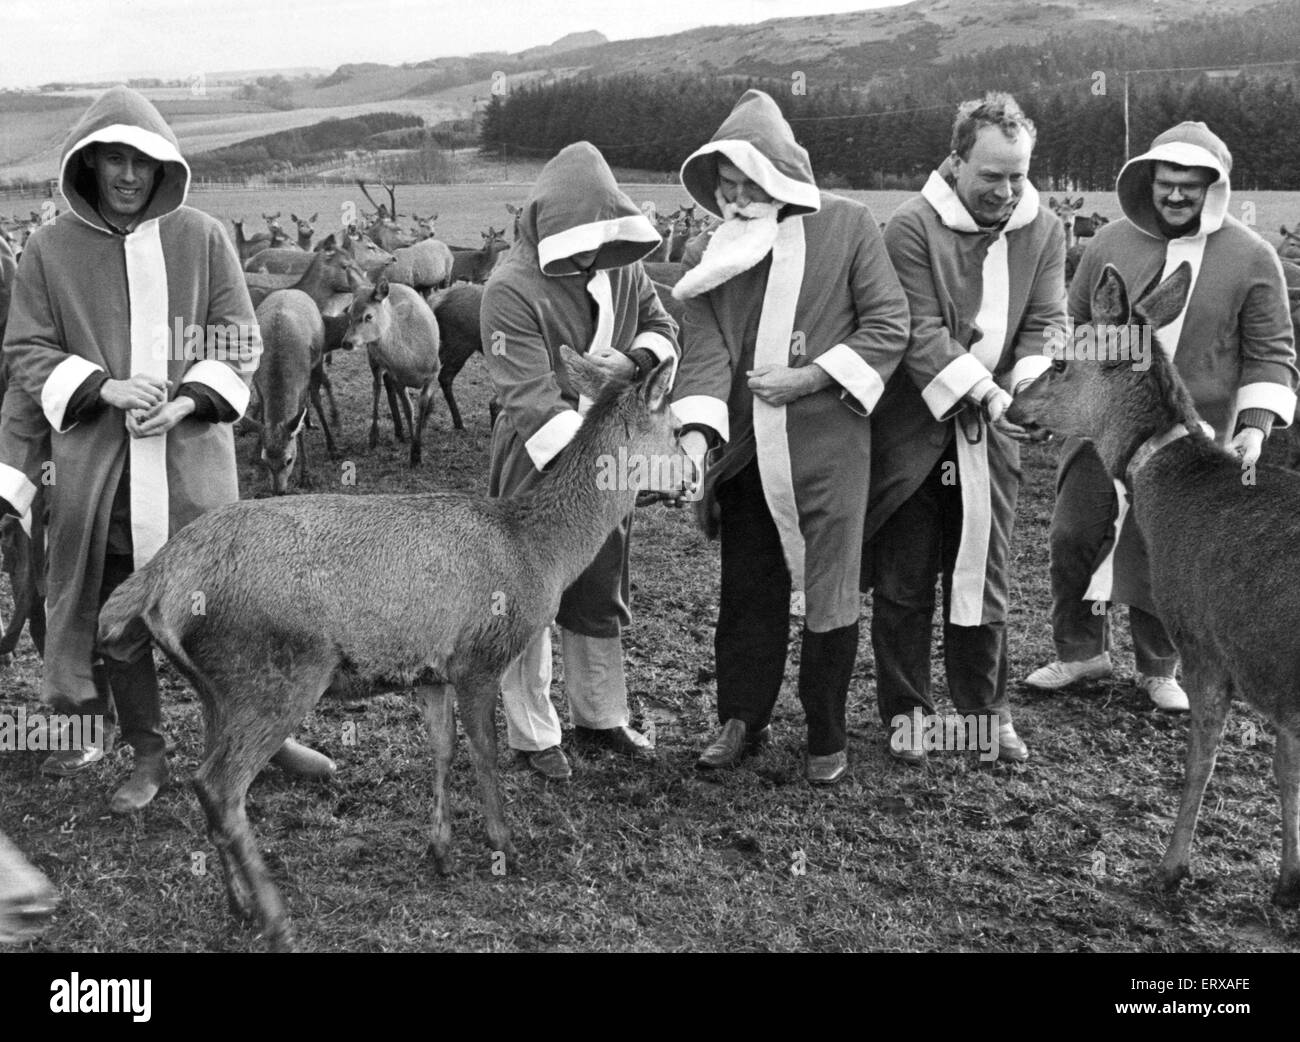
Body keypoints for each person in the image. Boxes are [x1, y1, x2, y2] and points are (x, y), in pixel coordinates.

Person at [0, 86, 334, 814]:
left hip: (190, 470)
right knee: (120, 620)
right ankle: (147, 750)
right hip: (99, 475)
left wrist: (188, 399)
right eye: (113, 159)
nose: (128, 175)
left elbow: (238, 338)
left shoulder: (202, 237)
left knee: (226, 615)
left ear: (165, 167)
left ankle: (259, 737)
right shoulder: (49, 250)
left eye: (143, 161)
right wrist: (103, 389)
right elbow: (26, 349)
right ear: (86, 165)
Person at [670, 89, 910, 785]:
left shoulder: (850, 226)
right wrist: (695, 437)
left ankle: (826, 731)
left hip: (829, 444)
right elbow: (708, 349)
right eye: (726, 184)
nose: (738, 198)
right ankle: (741, 717)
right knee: (748, 586)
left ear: (783, 173)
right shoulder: (708, 251)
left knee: (831, 586)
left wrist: (810, 379)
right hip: (747, 453)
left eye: (751, 183)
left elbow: (888, 326)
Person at [1024, 122, 1298, 709]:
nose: (1175, 197)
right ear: (1149, 180)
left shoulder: (1252, 256)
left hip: (1191, 440)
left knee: (1165, 552)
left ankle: (1159, 666)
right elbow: (1071, 329)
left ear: (1214, 189)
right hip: (1106, 430)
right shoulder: (1109, 244)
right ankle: (1079, 652)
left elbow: (1273, 354)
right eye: (1165, 183)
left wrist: (1254, 426)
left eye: (1190, 187)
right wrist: (1054, 394)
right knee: (1075, 533)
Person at [864, 93, 1066, 767]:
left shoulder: (1045, 229)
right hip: (914, 430)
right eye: (992, 176)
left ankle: (985, 712)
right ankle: (907, 716)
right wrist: (983, 390)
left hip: (995, 430)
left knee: (984, 571)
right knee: (905, 578)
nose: (1007, 191)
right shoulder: (910, 227)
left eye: (1019, 175)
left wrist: (1028, 383)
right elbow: (916, 332)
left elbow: (1045, 321)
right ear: (956, 163)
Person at [482, 141, 680, 782]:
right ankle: (533, 731)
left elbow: (661, 325)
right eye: (581, 240)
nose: (594, 254)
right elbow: (527, 397)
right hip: (541, 459)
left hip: (610, 456)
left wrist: (635, 363)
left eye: (603, 238)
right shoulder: (510, 289)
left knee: (598, 584)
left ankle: (601, 714)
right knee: (527, 591)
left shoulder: (623, 265)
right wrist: (607, 462)